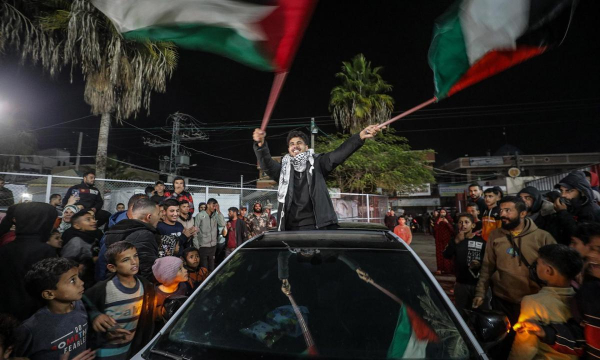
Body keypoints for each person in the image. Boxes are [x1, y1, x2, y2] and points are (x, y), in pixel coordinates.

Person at [253, 125, 382, 231]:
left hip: (319, 226)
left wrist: (359, 137)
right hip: (291, 228)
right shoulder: (283, 169)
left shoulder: (318, 163)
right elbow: (267, 164)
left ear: (306, 147)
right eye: (292, 144)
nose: (295, 146)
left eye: (299, 143)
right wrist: (261, 145)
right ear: (289, 149)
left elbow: (338, 155)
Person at [473, 196, 556, 360]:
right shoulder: (495, 235)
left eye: (508, 210)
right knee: (503, 343)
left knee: (528, 347)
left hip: (532, 304)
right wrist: (480, 293)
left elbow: (555, 270)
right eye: (501, 210)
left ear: (523, 213)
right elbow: (487, 266)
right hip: (502, 300)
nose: (502, 214)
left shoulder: (542, 237)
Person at [84, 241, 156, 359]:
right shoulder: (104, 289)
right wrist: (95, 315)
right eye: (125, 260)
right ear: (112, 268)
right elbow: (82, 302)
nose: (134, 262)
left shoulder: (145, 286)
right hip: (105, 353)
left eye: (135, 256)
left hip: (131, 349)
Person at [509, 244, 583, 360]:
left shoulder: (533, 302)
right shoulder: (581, 298)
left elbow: (525, 347)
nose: (535, 266)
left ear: (548, 271)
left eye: (538, 263)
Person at [14, 257, 95, 360]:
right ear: (49, 294)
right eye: (72, 280)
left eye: (78, 277)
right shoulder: (30, 330)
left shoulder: (79, 305)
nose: (81, 282)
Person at [0, 202, 58, 321]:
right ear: (42, 223)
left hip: (6, 311)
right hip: (33, 314)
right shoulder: (45, 250)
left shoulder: (6, 248)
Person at [103, 198, 162, 282]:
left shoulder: (115, 230)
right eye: (158, 214)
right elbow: (147, 270)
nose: (160, 217)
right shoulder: (144, 235)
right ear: (149, 217)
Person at [95, 194, 148, 282]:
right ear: (133, 208)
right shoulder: (119, 231)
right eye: (146, 208)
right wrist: (102, 284)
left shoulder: (133, 225)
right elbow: (103, 260)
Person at [443, 213, 487, 318]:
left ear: (473, 225)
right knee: (461, 313)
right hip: (461, 283)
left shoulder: (481, 241)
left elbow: (487, 260)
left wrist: (479, 263)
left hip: (479, 284)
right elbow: (446, 255)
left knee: (480, 313)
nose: (463, 225)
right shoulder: (455, 240)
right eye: (460, 222)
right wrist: (456, 241)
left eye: (466, 222)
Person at [553, 171, 600, 245]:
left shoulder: (591, 211)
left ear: (582, 192)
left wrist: (562, 213)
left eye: (568, 191)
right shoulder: (572, 206)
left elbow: (579, 236)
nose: (562, 195)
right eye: (561, 191)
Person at [61, 210, 102, 288]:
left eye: (93, 218)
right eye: (88, 219)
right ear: (77, 226)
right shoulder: (75, 240)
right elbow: (66, 263)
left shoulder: (95, 235)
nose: (94, 221)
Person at [152, 257, 191, 328]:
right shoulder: (155, 295)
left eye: (183, 267)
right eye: (180, 269)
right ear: (168, 276)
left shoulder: (185, 286)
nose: (185, 270)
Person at [193, 198, 225, 272]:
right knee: (204, 268)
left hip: (213, 246)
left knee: (212, 267)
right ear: (208, 205)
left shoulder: (215, 215)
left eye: (216, 206)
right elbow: (195, 231)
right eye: (213, 205)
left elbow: (222, 223)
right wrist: (197, 246)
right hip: (203, 246)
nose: (214, 207)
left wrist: (219, 211)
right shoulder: (200, 215)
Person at [434, 208, 454, 275]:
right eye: (441, 212)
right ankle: (440, 269)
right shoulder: (437, 220)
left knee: (447, 253)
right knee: (439, 254)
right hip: (439, 240)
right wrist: (438, 223)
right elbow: (434, 230)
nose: (442, 213)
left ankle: (448, 270)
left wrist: (447, 222)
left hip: (447, 240)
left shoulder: (449, 220)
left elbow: (452, 230)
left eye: (444, 212)